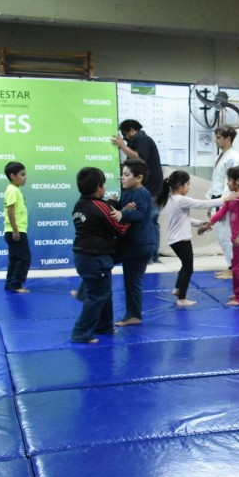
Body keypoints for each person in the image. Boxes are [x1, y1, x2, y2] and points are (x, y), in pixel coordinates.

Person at [70, 166, 129, 344]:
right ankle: (81, 333)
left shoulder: (80, 204)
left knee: (103, 292)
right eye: (103, 185)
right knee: (97, 296)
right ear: (98, 188)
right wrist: (128, 215)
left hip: (83, 255)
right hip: (95, 256)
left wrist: (111, 204)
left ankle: (104, 326)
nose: (104, 189)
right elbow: (119, 228)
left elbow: (99, 216)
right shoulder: (100, 206)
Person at [155, 170, 223, 306]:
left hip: (175, 240)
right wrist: (224, 200)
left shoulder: (171, 199)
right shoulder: (181, 200)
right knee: (188, 267)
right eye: (188, 184)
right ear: (181, 186)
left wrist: (200, 223)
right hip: (181, 240)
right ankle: (182, 298)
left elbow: (185, 219)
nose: (189, 187)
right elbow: (203, 204)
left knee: (185, 265)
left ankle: (177, 289)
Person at [200, 163, 239, 305]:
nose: (227, 183)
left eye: (230, 180)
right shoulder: (232, 196)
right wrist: (209, 223)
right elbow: (222, 211)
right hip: (236, 238)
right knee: (235, 267)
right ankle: (238, 293)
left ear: (238, 181)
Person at [114, 159, 158, 327]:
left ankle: (134, 315)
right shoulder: (127, 192)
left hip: (140, 245)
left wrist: (123, 214)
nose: (122, 178)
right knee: (128, 279)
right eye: (122, 175)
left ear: (139, 177)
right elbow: (124, 209)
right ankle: (133, 314)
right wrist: (116, 205)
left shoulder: (142, 193)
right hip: (131, 244)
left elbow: (138, 214)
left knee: (132, 281)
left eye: (126, 175)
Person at [112, 119, 163, 263]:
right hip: (151, 188)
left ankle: (151, 256)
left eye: (125, 135)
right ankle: (151, 256)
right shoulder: (136, 141)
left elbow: (139, 158)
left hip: (152, 188)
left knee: (150, 221)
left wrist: (122, 146)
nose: (125, 139)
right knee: (151, 221)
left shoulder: (142, 139)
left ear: (133, 130)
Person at [207, 126, 239, 279]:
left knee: (228, 236)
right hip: (218, 199)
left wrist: (224, 205)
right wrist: (210, 202)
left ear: (228, 138)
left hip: (227, 201)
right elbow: (216, 181)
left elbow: (230, 184)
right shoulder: (222, 156)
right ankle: (230, 266)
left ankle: (233, 268)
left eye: (218, 137)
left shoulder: (233, 158)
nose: (216, 140)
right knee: (222, 236)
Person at [2, 160, 31, 293]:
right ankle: (16, 284)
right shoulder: (13, 190)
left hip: (14, 230)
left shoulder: (14, 190)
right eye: (22, 174)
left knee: (15, 258)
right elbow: (10, 210)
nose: (25, 177)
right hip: (16, 230)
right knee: (24, 258)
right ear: (13, 176)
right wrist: (15, 230)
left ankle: (10, 283)